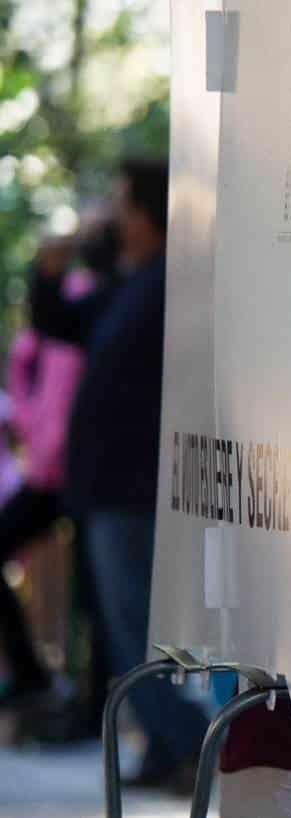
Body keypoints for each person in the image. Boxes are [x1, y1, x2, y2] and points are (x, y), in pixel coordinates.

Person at [32, 159, 209, 791]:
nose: (112, 219)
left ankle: (187, 744)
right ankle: (167, 747)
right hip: (110, 488)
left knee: (137, 625)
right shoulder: (133, 284)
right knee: (125, 625)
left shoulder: (171, 283)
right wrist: (47, 274)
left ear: (146, 213)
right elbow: (60, 323)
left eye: (122, 206)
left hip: (135, 488)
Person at [0, 217, 116, 710]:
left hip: (82, 470)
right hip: (49, 473)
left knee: (96, 590)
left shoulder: (97, 300)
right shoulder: (59, 304)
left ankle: (94, 704)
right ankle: (31, 675)